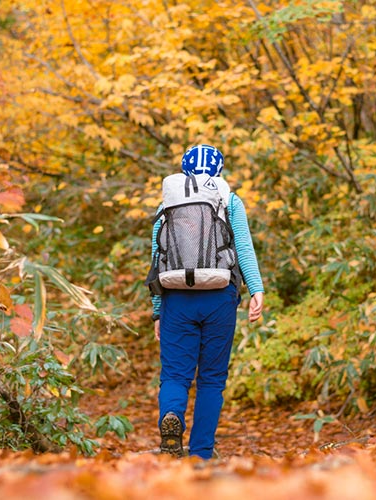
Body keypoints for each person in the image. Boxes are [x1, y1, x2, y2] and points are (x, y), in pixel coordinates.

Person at [150, 144, 265, 460]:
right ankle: (201, 453)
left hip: (176, 295)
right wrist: (256, 289)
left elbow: (156, 257)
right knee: (212, 380)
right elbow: (243, 248)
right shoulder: (228, 199)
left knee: (174, 375)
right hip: (219, 296)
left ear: (184, 170)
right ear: (219, 170)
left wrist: (157, 311)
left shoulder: (170, 202)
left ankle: (170, 418)